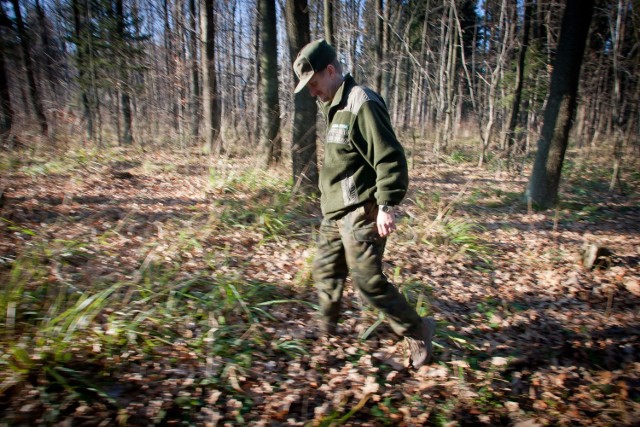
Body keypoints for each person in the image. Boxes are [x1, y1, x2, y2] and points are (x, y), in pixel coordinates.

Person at [292, 39, 435, 368]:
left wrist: (387, 205)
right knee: (325, 270)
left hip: (361, 211)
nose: (313, 93)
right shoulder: (333, 104)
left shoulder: (362, 102)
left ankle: (418, 329)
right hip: (334, 212)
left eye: (314, 84)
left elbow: (390, 157)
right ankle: (325, 330)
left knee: (369, 284)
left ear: (331, 71)